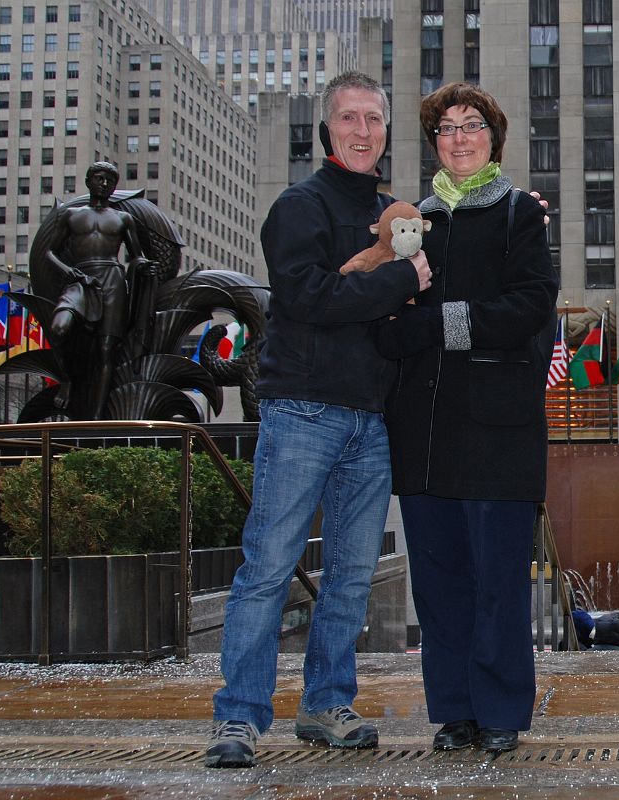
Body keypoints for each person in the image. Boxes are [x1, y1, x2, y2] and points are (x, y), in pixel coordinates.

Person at [206, 72, 433, 768]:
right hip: (302, 410)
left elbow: (373, 303)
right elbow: (308, 300)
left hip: (372, 418)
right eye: (348, 118)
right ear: (325, 128)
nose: (361, 131)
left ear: (385, 130)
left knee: (352, 576)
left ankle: (325, 701)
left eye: (373, 119)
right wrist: (402, 279)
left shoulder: (397, 211)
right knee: (269, 568)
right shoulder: (297, 207)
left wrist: (380, 287)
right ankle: (239, 717)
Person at [375, 82, 559, 754]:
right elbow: (386, 318)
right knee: (440, 582)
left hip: (498, 428)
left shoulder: (518, 215)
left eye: (471, 124)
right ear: (433, 142)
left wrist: (437, 325)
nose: (458, 137)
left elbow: (530, 306)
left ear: (493, 137)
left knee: (497, 580)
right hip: (423, 431)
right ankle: (453, 710)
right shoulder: (407, 222)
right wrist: (411, 326)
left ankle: (501, 710)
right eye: (445, 127)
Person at [45, 161, 156, 419]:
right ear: (89, 181)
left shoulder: (123, 219)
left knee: (107, 349)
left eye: (109, 180)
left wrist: (143, 266)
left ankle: (96, 417)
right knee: (59, 328)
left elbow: (135, 255)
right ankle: (66, 378)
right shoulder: (71, 215)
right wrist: (67, 270)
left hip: (112, 280)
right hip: (80, 279)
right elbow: (50, 251)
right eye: (99, 178)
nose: (104, 184)